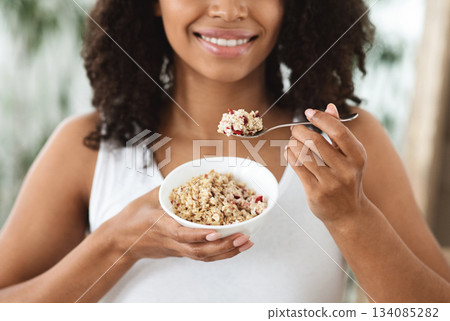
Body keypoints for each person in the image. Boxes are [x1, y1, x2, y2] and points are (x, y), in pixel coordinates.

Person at [0, 0, 449, 303]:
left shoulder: (346, 142)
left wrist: (351, 216)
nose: (229, 9)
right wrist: (117, 243)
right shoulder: (87, 148)